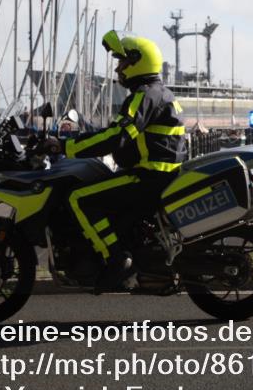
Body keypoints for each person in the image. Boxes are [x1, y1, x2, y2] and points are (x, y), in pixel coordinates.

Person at [41, 31, 186, 292]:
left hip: (148, 178)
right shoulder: (159, 93)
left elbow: (116, 136)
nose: (118, 68)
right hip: (159, 176)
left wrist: (65, 146)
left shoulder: (144, 96)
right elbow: (115, 133)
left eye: (122, 61)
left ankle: (116, 259)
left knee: (78, 198)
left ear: (138, 61)